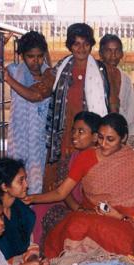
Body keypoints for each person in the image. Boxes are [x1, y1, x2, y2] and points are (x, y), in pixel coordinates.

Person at [27, 113, 134, 260]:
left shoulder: (133, 159)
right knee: (76, 226)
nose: (103, 144)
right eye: (101, 137)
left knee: (120, 237)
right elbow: (61, 193)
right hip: (91, 212)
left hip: (123, 219)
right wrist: (31, 198)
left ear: (123, 138)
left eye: (110, 139)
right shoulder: (86, 157)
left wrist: (120, 216)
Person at [44, 23, 120, 191]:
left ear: (91, 45)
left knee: (90, 177)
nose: (81, 48)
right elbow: (39, 92)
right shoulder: (61, 68)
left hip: (92, 135)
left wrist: (115, 134)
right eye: (76, 43)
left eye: (86, 43)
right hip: (66, 134)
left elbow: (114, 104)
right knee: (65, 177)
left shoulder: (105, 70)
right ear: (70, 46)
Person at [0, 31, 54, 194]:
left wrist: (9, 80)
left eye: (40, 56)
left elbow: (36, 96)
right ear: (22, 56)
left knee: (37, 175)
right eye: (30, 56)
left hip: (40, 136)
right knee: (15, 176)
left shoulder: (50, 74)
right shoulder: (15, 70)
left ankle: (35, 210)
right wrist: (0, 46)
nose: (36, 61)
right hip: (19, 134)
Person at [32, 111, 100, 247]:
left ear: (95, 137)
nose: (74, 135)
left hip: (85, 207)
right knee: (38, 208)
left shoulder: (97, 159)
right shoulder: (72, 157)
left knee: (42, 208)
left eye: (81, 131)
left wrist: (33, 198)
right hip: (66, 200)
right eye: (74, 130)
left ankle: (45, 251)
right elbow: (61, 187)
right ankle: (37, 251)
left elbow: (63, 192)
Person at [98, 34, 134, 148]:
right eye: (108, 51)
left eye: (117, 51)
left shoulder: (125, 79)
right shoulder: (94, 77)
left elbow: (131, 112)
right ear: (101, 54)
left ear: (122, 54)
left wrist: (129, 143)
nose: (113, 55)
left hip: (119, 135)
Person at [0, 157, 36, 260]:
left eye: (25, 179)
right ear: (4, 186)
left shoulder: (24, 211)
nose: (26, 185)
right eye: (21, 181)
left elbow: (29, 246)